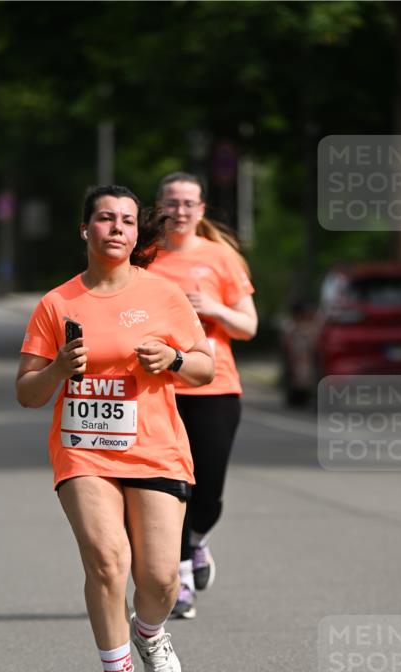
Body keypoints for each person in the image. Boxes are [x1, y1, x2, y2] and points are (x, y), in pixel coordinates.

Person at [16, 185, 214, 672]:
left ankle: (149, 632)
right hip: (83, 451)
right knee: (106, 561)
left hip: (154, 448)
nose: (118, 229)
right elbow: (28, 392)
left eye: (127, 221)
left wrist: (171, 359)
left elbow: (204, 368)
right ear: (86, 229)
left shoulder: (163, 295)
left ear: (135, 233)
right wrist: (58, 368)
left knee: (160, 578)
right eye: (106, 219)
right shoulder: (56, 303)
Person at [148, 172, 257, 619]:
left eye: (189, 203)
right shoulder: (144, 258)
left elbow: (249, 326)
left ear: (202, 210)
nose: (180, 211)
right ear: (158, 208)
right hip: (158, 389)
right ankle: (180, 582)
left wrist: (213, 309)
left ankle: (197, 541)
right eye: (171, 203)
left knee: (207, 491)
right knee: (169, 488)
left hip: (216, 386)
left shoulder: (221, 258)